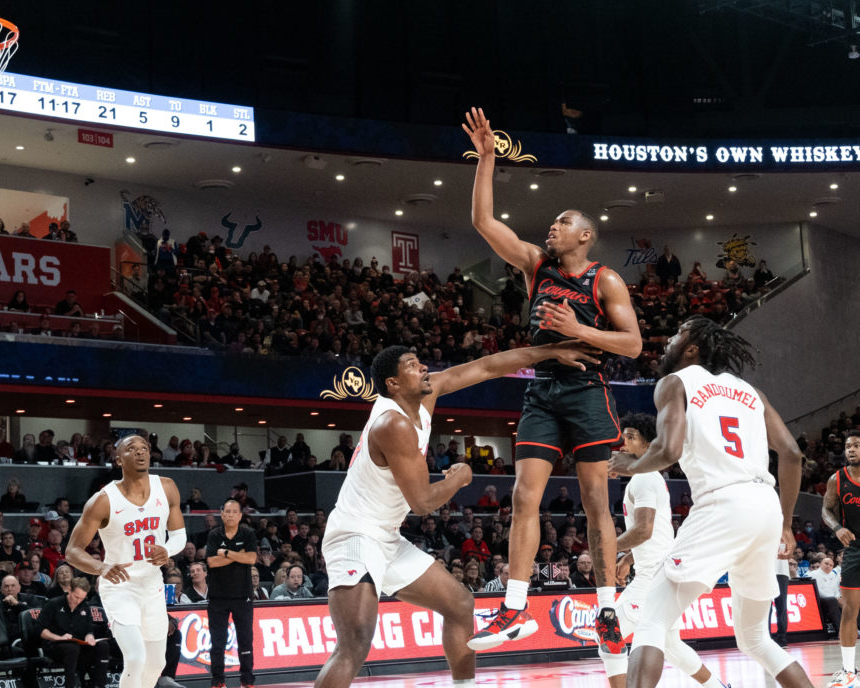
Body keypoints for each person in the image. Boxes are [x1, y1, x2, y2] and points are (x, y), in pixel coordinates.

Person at [315, 339, 600, 688]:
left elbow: (485, 367)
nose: (422, 367)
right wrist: (462, 478)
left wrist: (549, 351)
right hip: (355, 534)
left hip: (386, 535)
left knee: (460, 603)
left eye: (420, 361)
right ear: (392, 383)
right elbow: (422, 503)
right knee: (355, 644)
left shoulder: (424, 398)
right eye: (411, 365)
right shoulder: (393, 424)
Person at [463, 107, 642, 654]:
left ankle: (607, 610)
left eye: (563, 222)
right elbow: (485, 224)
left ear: (585, 234)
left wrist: (578, 332)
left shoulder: (603, 277)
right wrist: (487, 161)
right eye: (553, 224)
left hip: (589, 394)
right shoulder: (536, 265)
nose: (553, 227)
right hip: (542, 391)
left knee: (595, 503)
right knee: (524, 496)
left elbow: (633, 344)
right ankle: (514, 608)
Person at [608, 316, 813, 688]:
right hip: (765, 506)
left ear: (691, 349)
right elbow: (792, 453)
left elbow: (667, 449)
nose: (669, 338)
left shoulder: (674, 382)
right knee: (754, 638)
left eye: (677, 333)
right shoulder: (750, 392)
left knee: (652, 620)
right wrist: (785, 523)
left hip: (723, 502)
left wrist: (630, 466)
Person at [604, 413, 729, 688]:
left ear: (648, 445)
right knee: (671, 645)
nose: (623, 441)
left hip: (653, 576)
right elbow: (656, 531)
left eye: (631, 436)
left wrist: (606, 548)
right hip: (658, 568)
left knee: (606, 631)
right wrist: (629, 556)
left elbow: (644, 529)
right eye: (623, 435)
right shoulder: (646, 477)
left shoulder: (644, 478)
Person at [65, 434, 186, 688]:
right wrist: (101, 567)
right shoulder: (104, 500)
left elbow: (178, 535)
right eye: (132, 449)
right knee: (136, 657)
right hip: (120, 587)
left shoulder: (166, 487)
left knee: (155, 663)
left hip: (152, 585)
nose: (141, 452)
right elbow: (72, 551)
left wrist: (167, 549)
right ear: (118, 459)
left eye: (145, 448)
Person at [821, 432, 860, 687]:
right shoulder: (837, 479)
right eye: (848, 447)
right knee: (849, 610)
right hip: (855, 550)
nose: (851, 450)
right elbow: (825, 510)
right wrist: (837, 528)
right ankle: (849, 672)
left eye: (856, 445)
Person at [206, 499, 258, 688]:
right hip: (217, 597)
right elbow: (211, 562)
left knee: (245, 641)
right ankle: (218, 681)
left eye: (234, 512)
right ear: (222, 514)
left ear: (240, 515)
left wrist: (226, 553)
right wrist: (238, 555)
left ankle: (247, 680)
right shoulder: (214, 534)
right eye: (227, 511)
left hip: (242, 596)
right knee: (217, 642)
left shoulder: (248, 533)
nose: (230, 515)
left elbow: (251, 558)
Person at [39, 577, 110, 688]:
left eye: (81, 598)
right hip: (55, 645)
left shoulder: (85, 607)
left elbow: (88, 629)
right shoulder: (53, 604)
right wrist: (59, 637)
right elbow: (41, 630)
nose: (78, 601)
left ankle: (99, 685)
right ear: (69, 590)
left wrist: (89, 636)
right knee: (72, 648)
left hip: (77, 645)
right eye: (76, 597)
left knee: (103, 646)